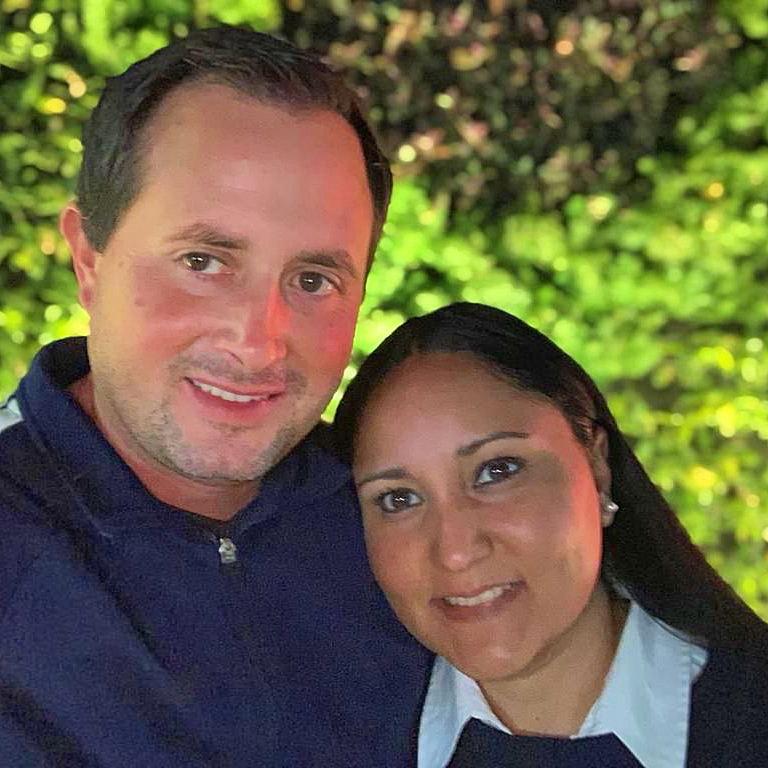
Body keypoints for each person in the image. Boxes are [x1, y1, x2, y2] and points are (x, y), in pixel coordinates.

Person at [0, 26, 431, 767]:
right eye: (203, 261)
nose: (258, 342)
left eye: (313, 280)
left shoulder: (412, 524)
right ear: (88, 259)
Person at [333, 302, 768, 768]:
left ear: (597, 468)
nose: (456, 551)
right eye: (398, 499)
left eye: (497, 471)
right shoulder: (335, 736)